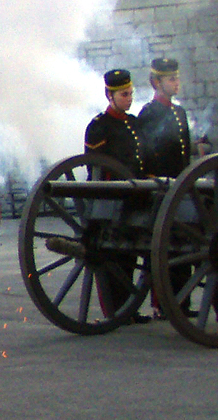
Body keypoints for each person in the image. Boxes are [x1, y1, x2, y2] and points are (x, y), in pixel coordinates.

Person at [83, 69, 148, 323]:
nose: (129, 99)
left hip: (135, 197)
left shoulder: (133, 123)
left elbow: (144, 158)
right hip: (111, 200)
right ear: (109, 95)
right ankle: (114, 310)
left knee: (130, 256)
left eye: (131, 94)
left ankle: (128, 309)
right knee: (114, 259)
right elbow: (94, 166)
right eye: (124, 94)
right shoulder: (99, 126)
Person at [138, 58, 194, 319]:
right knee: (164, 250)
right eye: (170, 79)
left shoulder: (179, 112)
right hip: (160, 189)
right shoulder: (149, 113)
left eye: (176, 77)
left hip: (180, 187)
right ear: (156, 83)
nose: (176, 82)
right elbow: (145, 154)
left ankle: (181, 301)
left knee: (185, 246)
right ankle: (163, 304)